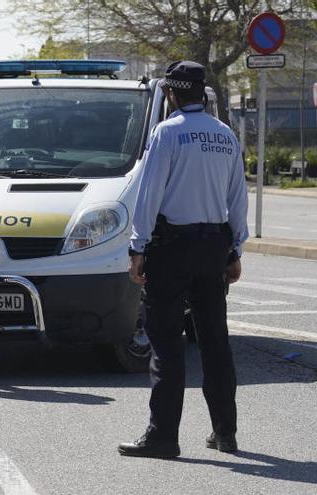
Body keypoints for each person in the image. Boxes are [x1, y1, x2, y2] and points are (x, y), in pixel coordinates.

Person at [118, 61, 249, 459]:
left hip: (171, 248)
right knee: (214, 341)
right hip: (213, 248)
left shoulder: (167, 132)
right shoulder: (225, 135)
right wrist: (236, 250)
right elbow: (237, 198)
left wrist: (137, 247)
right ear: (203, 93)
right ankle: (225, 432)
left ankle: (163, 436)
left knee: (166, 343)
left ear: (172, 94)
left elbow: (150, 192)